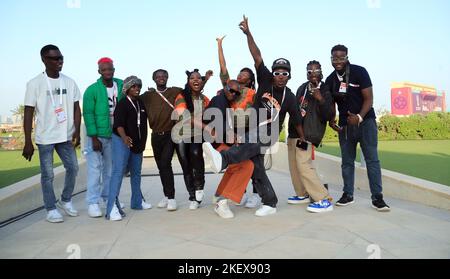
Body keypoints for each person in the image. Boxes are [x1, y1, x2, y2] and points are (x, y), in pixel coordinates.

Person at [203, 16, 304, 217]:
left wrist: (302, 138)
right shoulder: (265, 81)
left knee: (251, 148)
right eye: (277, 72)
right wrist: (248, 33)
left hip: (269, 131)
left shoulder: (290, 97)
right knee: (256, 167)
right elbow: (257, 56)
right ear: (272, 74)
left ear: (289, 76)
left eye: (285, 73)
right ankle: (270, 202)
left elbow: (296, 120)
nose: (280, 76)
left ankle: (223, 159)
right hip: (254, 130)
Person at [325, 44, 390, 212]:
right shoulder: (330, 79)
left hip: (366, 122)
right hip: (346, 126)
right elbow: (331, 104)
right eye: (334, 58)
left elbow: (369, 99)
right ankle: (348, 195)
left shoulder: (360, 72)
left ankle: (378, 198)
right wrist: (331, 120)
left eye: (341, 57)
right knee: (347, 162)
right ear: (331, 59)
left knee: (372, 160)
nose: (338, 61)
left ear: (347, 57)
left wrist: (359, 117)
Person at [23, 44, 81, 223]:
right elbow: (28, 112)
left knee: (73, 168)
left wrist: (77, 131)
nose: (59, 61)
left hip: (65, 135)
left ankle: (65, 200)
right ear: (44, 60)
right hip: (45, 137)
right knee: (47, 174)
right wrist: (27, 141)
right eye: (54, 59)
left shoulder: (69, 81)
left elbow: (76, 108)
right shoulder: (35, 83)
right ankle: (50, 208)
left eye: (61, 58)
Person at [139, 69, 211, 211]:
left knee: (191, 159)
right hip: (168, 134)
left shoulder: (182, 93)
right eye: (158, 76)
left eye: (164, 75)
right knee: (173, 166)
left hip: (184, 134)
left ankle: (190, 191)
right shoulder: (152, 95)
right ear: (153, 79)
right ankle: (178, 195)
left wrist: (206, 78)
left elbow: (196, 85)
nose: (161, 78)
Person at [216, 35, 259, 208]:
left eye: (246, 75)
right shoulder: (231, 88)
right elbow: (223, 67)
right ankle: (241, 193)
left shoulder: (251, 93)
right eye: (241, 73)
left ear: (249, 80)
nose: (241, 75)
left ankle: (256, 194)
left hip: (249, 130)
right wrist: (219, 45)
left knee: (255, 163)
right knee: (239, 163)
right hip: (233, 132)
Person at [287, 60, 334, 213]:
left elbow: (329, 114)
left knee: (304, 165)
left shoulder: (326, 89)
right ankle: (302, 194)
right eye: (309, 71)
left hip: (308, 133)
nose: (313, 74)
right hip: (295, 131)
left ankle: (323, 199)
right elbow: (296, 108)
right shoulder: (302, 87)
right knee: (294, 166)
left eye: (316, 71)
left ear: (321, 72)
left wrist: (320, 98)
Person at [205, 80, 255, 218]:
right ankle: (223, 203)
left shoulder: (224, 102)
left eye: (237, 93)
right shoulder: (219, 100)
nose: (233, 94)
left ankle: (219, 195)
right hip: (216, 144)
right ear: (224, 87)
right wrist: (232, 137)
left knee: (234, 167)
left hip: (215, 142)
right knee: (247, 166)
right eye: (231, 90)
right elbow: (219, 124)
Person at [106, 76, 152, 221]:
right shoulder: (122, 104)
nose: (137, 89)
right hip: (121, 140)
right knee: (118, 172)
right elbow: (118, 124)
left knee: (136, 172)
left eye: (138, 86)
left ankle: (137, 202)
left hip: (136, 143)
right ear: (126, 89)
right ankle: (111, 207)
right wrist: (125, 137)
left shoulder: (140, 103)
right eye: (133, 86)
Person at [83, 57, 124, 218]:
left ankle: (108, 198)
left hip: (114, 135)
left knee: (110, 170)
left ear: (114, 70)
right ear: (99, 71)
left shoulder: (120, 85)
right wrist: (93, 137)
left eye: (110, 69)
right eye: (104, 69)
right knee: (95, 169)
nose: (108, 72)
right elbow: (88, 114)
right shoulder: (92, 90)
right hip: (98, 135)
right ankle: (92, 203)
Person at [172, 69, 211, 210]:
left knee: (196, 155)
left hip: (196, 135)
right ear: (188, 82)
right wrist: (206, 127)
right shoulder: (181, 97)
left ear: (202, 82)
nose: (196, 80)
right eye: (192, 78)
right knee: (186, 165)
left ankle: (199, 186)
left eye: (198, 78)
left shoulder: (204, 99)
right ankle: (192, 196)